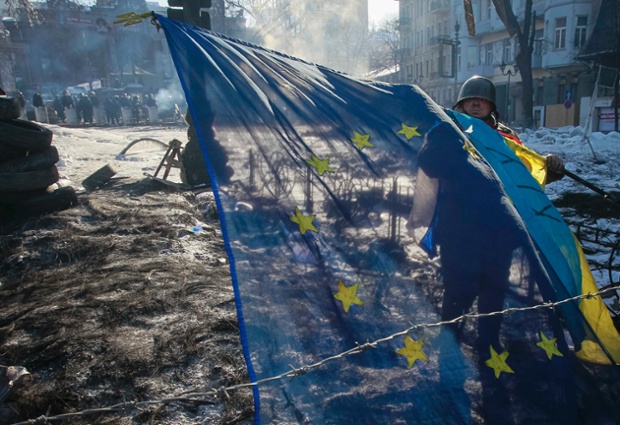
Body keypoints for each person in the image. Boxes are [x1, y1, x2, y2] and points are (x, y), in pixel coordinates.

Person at [453, 76, 565, 183]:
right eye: (470, 99)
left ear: (491, 106)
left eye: (482, 100)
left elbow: (523, 173)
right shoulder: (449, 129)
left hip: (495, 199)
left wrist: (550, 167)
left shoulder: (506, 136)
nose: (476, 104)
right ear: (461, 104)